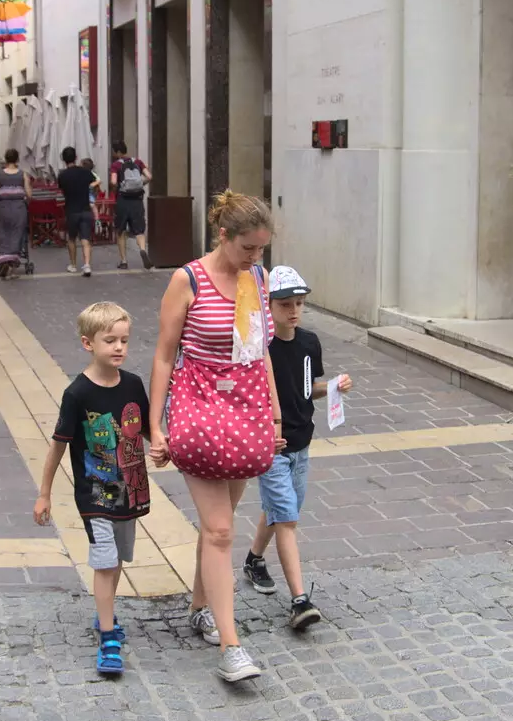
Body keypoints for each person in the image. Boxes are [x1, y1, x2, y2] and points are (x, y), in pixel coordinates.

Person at [147, 191, 283, 684]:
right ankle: (232, 647)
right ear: (223, 235)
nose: (255, 258)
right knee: (222, 529)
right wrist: (155, 424)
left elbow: (260, 352)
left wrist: (275, 416)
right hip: (200, 409)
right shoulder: (187, 279)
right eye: (248, 248)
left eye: (261, 250)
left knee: (215, 527)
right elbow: (164, 354)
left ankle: (201, 607)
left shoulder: (259, 279)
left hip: (246, 410)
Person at [35, 302, 152, 676]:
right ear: (88, 343)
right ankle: (108, 636)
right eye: (110, 340)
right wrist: (44, 493)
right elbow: (58, 444)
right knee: (105, 562)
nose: (119, 347)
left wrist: (164, 445)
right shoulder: (77, 394)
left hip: (130, 489)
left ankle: (106, 613)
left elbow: (147, 427)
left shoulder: (133, 384)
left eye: (124, 340)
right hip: (96, 495)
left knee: (116, 560)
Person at [241, 266, 353, 630]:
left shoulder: (309, 343)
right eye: (286, 303)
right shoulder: (261, 348)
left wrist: (333, 386)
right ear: (268, 305)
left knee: (279, 508)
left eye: (299, 303)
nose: (294, 310)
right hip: (272, 446)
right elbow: (250, 397)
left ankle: (254, 559)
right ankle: (300, 600)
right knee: (287, 517)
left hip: (303, 443)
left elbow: (309, 388)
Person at [109, 142, 153, 270]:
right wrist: (140, 185)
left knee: (121, 231)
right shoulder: (138, 162)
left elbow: (113, 181)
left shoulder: (116, 165)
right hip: (137, 201)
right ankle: (143, 250)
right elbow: (149, 176)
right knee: (139, 230)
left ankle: (123, 261)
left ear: (117, 152)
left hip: (123, 201)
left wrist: (117, 188)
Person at [57, 146, 99, 277]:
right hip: (86, 209)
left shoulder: (62, 175)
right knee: (86, 238)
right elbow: (95, 183)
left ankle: (73, 265)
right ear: (76, 157)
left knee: (71, 238)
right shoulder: (86, 172)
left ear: (63, 160)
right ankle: (87, 265)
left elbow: (62, 190)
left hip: (71, 210)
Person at [0, 147, 31, 278]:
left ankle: (3, 260)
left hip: (3, 209)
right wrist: (25, 202)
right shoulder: (23, 174)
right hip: (19, 209)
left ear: (6, 159)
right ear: (17, 159)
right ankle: (13, 269)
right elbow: (29, 194)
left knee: (2, 234)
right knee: (17, 235)